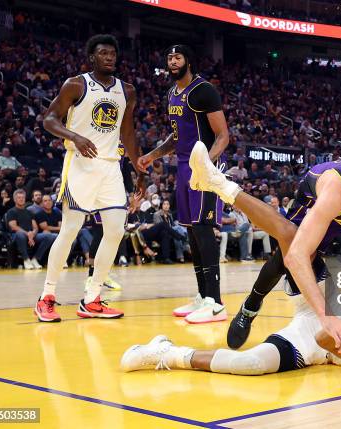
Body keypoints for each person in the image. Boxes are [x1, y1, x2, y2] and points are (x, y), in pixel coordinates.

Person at [189, 142, 341, 353]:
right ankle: (251, 304)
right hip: (316, 207)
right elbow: (295, 257)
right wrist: (326, 317)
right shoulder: (336, 191)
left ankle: (215, 181)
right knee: (289, 244)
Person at [34, 34, 144, 323]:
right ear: (92, 57)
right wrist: (74, 136)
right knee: (70, 231)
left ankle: (92, 298)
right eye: (103, 53)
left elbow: (128, 133)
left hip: (110, 167)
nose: (109, 57)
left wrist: (138, 168)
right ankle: (47, 296)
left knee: (116, 231)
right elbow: (49, 119)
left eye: (113, 53)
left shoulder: (127, 90)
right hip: (81, 163)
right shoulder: (76, 84)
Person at [121, 299, 341, 375]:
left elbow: (323, 339)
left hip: (312, 338)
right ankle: (223, 187)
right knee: (299, 240)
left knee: (251, 363)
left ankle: (166, 353)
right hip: (325, 303)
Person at [137, 44, 229, 324]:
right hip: (183, 168)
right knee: (191, 232)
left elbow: (223, 135)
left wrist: (205, 163)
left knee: (203, 230)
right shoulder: (171, 95)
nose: (173, 61)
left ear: (188, 60)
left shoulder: (204, 91)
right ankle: (203, 297)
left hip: (204, 169)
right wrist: (152, 155)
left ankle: (216, 303)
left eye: (178, 57)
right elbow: (176, 137)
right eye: (169, 58)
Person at [6, 189, 56, 270]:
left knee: (49, 236)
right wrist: (28, 234)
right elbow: (13, 226)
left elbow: (35, 227)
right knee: (20, 234)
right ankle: (26, 260)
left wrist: (33, 233)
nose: (21, 199)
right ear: (14, 199)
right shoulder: (11, 212)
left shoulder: (29, 212)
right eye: (19, 198)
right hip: (17, 236)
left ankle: (35, 259)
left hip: (31, 235)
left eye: (23, 197)